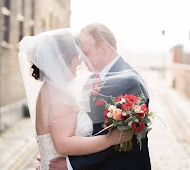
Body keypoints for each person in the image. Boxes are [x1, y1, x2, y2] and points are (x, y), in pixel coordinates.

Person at [18, 29, 132, 170]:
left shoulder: (49, 88)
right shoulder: (58, 94)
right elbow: (63, 144)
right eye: (76, 55)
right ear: (61, 59)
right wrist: (110, 139)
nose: (80, 60)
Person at [51, 23, 151, 170]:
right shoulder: (92, 80)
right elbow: (90, 131)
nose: (82, 59)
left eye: (86, 52)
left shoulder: (130, 81)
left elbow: (119, 139)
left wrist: (70, 164)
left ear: (104, 47)